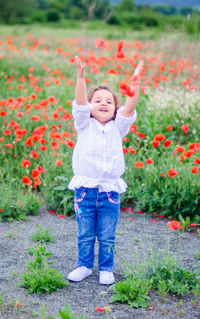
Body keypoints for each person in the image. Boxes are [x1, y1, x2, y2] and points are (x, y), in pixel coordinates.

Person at [67, 56, 144, 285]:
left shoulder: (117, 127)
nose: (103, 103)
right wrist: (81, 78)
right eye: (97, 100)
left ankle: (106, 268)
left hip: (110, 191)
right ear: (90, 106)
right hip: (85, 190)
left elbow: (130, 106)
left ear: (115, 109)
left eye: (109, 101)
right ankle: (84, 266)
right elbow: (80, 103)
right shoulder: (84, 124)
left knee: (107, 235)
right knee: (85, 234)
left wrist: (135, 84)